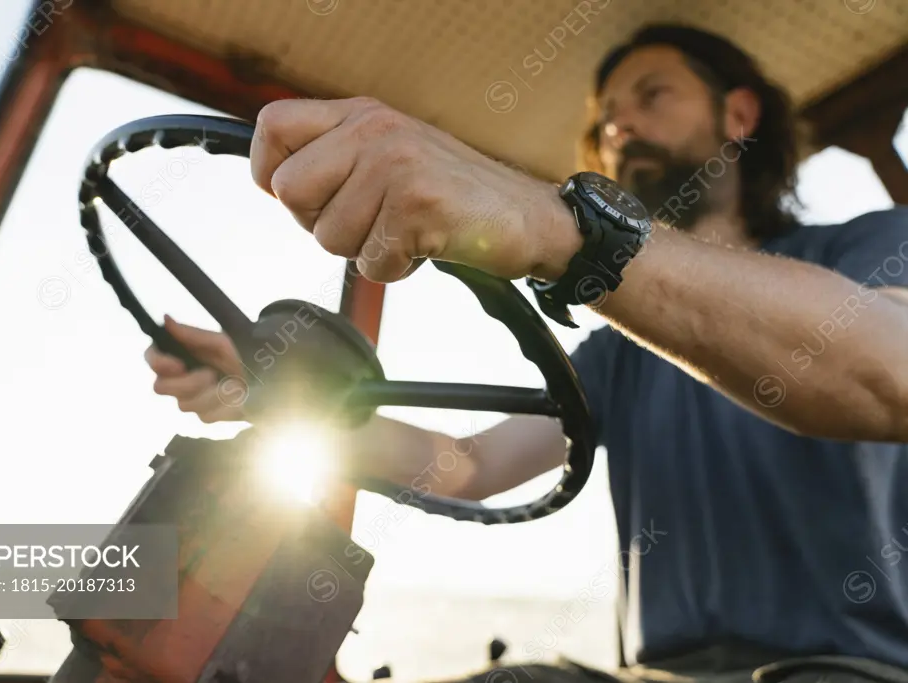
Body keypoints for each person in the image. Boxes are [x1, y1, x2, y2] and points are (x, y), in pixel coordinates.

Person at [143, 22, 908, 683]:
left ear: (737, 114)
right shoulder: (620, 353)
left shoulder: (868, 248)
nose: (619, 128)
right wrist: (284, 402)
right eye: (605, 118)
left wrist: (557, 228)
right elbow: (465, 466)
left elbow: (888, 366)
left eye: (651, 95)